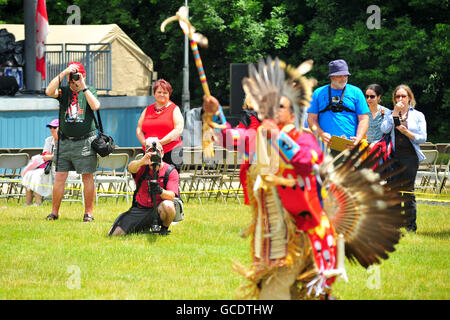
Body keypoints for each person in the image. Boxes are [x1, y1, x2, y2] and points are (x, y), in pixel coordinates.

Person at [44, 61, 101, 222]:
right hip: (65, 141)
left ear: (84, 75)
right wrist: (63, 73)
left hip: (85, 141)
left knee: (87, 176)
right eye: (72, 76)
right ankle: (54, 213)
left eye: (77, 75)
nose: (74, 79)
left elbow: (95, 106)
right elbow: (49, 91)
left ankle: (88, 213)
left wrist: (83, 85)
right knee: (60, 175)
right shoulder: (64, 91)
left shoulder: (90, 90)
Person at [108, 139, 181, 236]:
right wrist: (141, 162)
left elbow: (172, 196)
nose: (154, 155)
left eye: (157, 152)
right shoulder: (141, 167)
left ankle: (164, 229)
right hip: (140, 209)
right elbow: (130, 168)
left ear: (162, 154)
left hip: (159, 208)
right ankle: (142, 225)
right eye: (150, 153)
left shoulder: (170, 171)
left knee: (168, 205)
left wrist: (160, 191)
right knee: (112, 234)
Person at [380, 84, 427, 233]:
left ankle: (410, 226)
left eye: (403, 96)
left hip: (410, 158)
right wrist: (394, 113)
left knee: (407, 191)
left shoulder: (418, 115)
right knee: (393, 191)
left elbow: (422, 138)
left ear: (409, 98)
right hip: (393, 157)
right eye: (397, 96)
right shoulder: (391, 114)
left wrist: (407, 133)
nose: (400, 99)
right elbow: (384, 129)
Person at [307, 59, 369, 155]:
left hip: (351, 147)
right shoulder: (318, 93)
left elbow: (364, 119)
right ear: (331, 76)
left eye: (345, 75)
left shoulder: (356, 92)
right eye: (340, 75)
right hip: (324, 148)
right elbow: (311, 119)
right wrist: (321, 133)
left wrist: (358, 138)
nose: (343, 78)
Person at [136, 79, 184, 172]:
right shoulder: (147, 109)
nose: (162, 94)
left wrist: (160, 143)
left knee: (169, 183)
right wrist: (145, 144)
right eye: (159, 92)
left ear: (169, 94)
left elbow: (178, 129)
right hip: (150, 152)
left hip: (171, 152)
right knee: (149, 183)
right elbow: (139, 129)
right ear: (154, 93)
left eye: (165, 92)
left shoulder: (174, 109)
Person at [22, 118, 59, 206]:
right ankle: (28, 202)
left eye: (54, 127)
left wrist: (51, 156)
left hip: (60, 168)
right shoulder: (49, 140)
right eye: (50, 127)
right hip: (48, 166)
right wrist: (49, 156)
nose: (52, 129)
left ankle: (38, 202)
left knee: (37, 175)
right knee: (29, 173)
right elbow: (45, 154)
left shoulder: (65, 141)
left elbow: (64, 156)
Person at [365, 84, 389, 149]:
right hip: (364, 149)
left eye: (372, 96)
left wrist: (375, 144)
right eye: (367, 96)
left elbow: (389, 133)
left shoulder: (386, 112)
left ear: (379, 97)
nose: (369, 99)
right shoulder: (362, 113)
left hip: (380, 150)